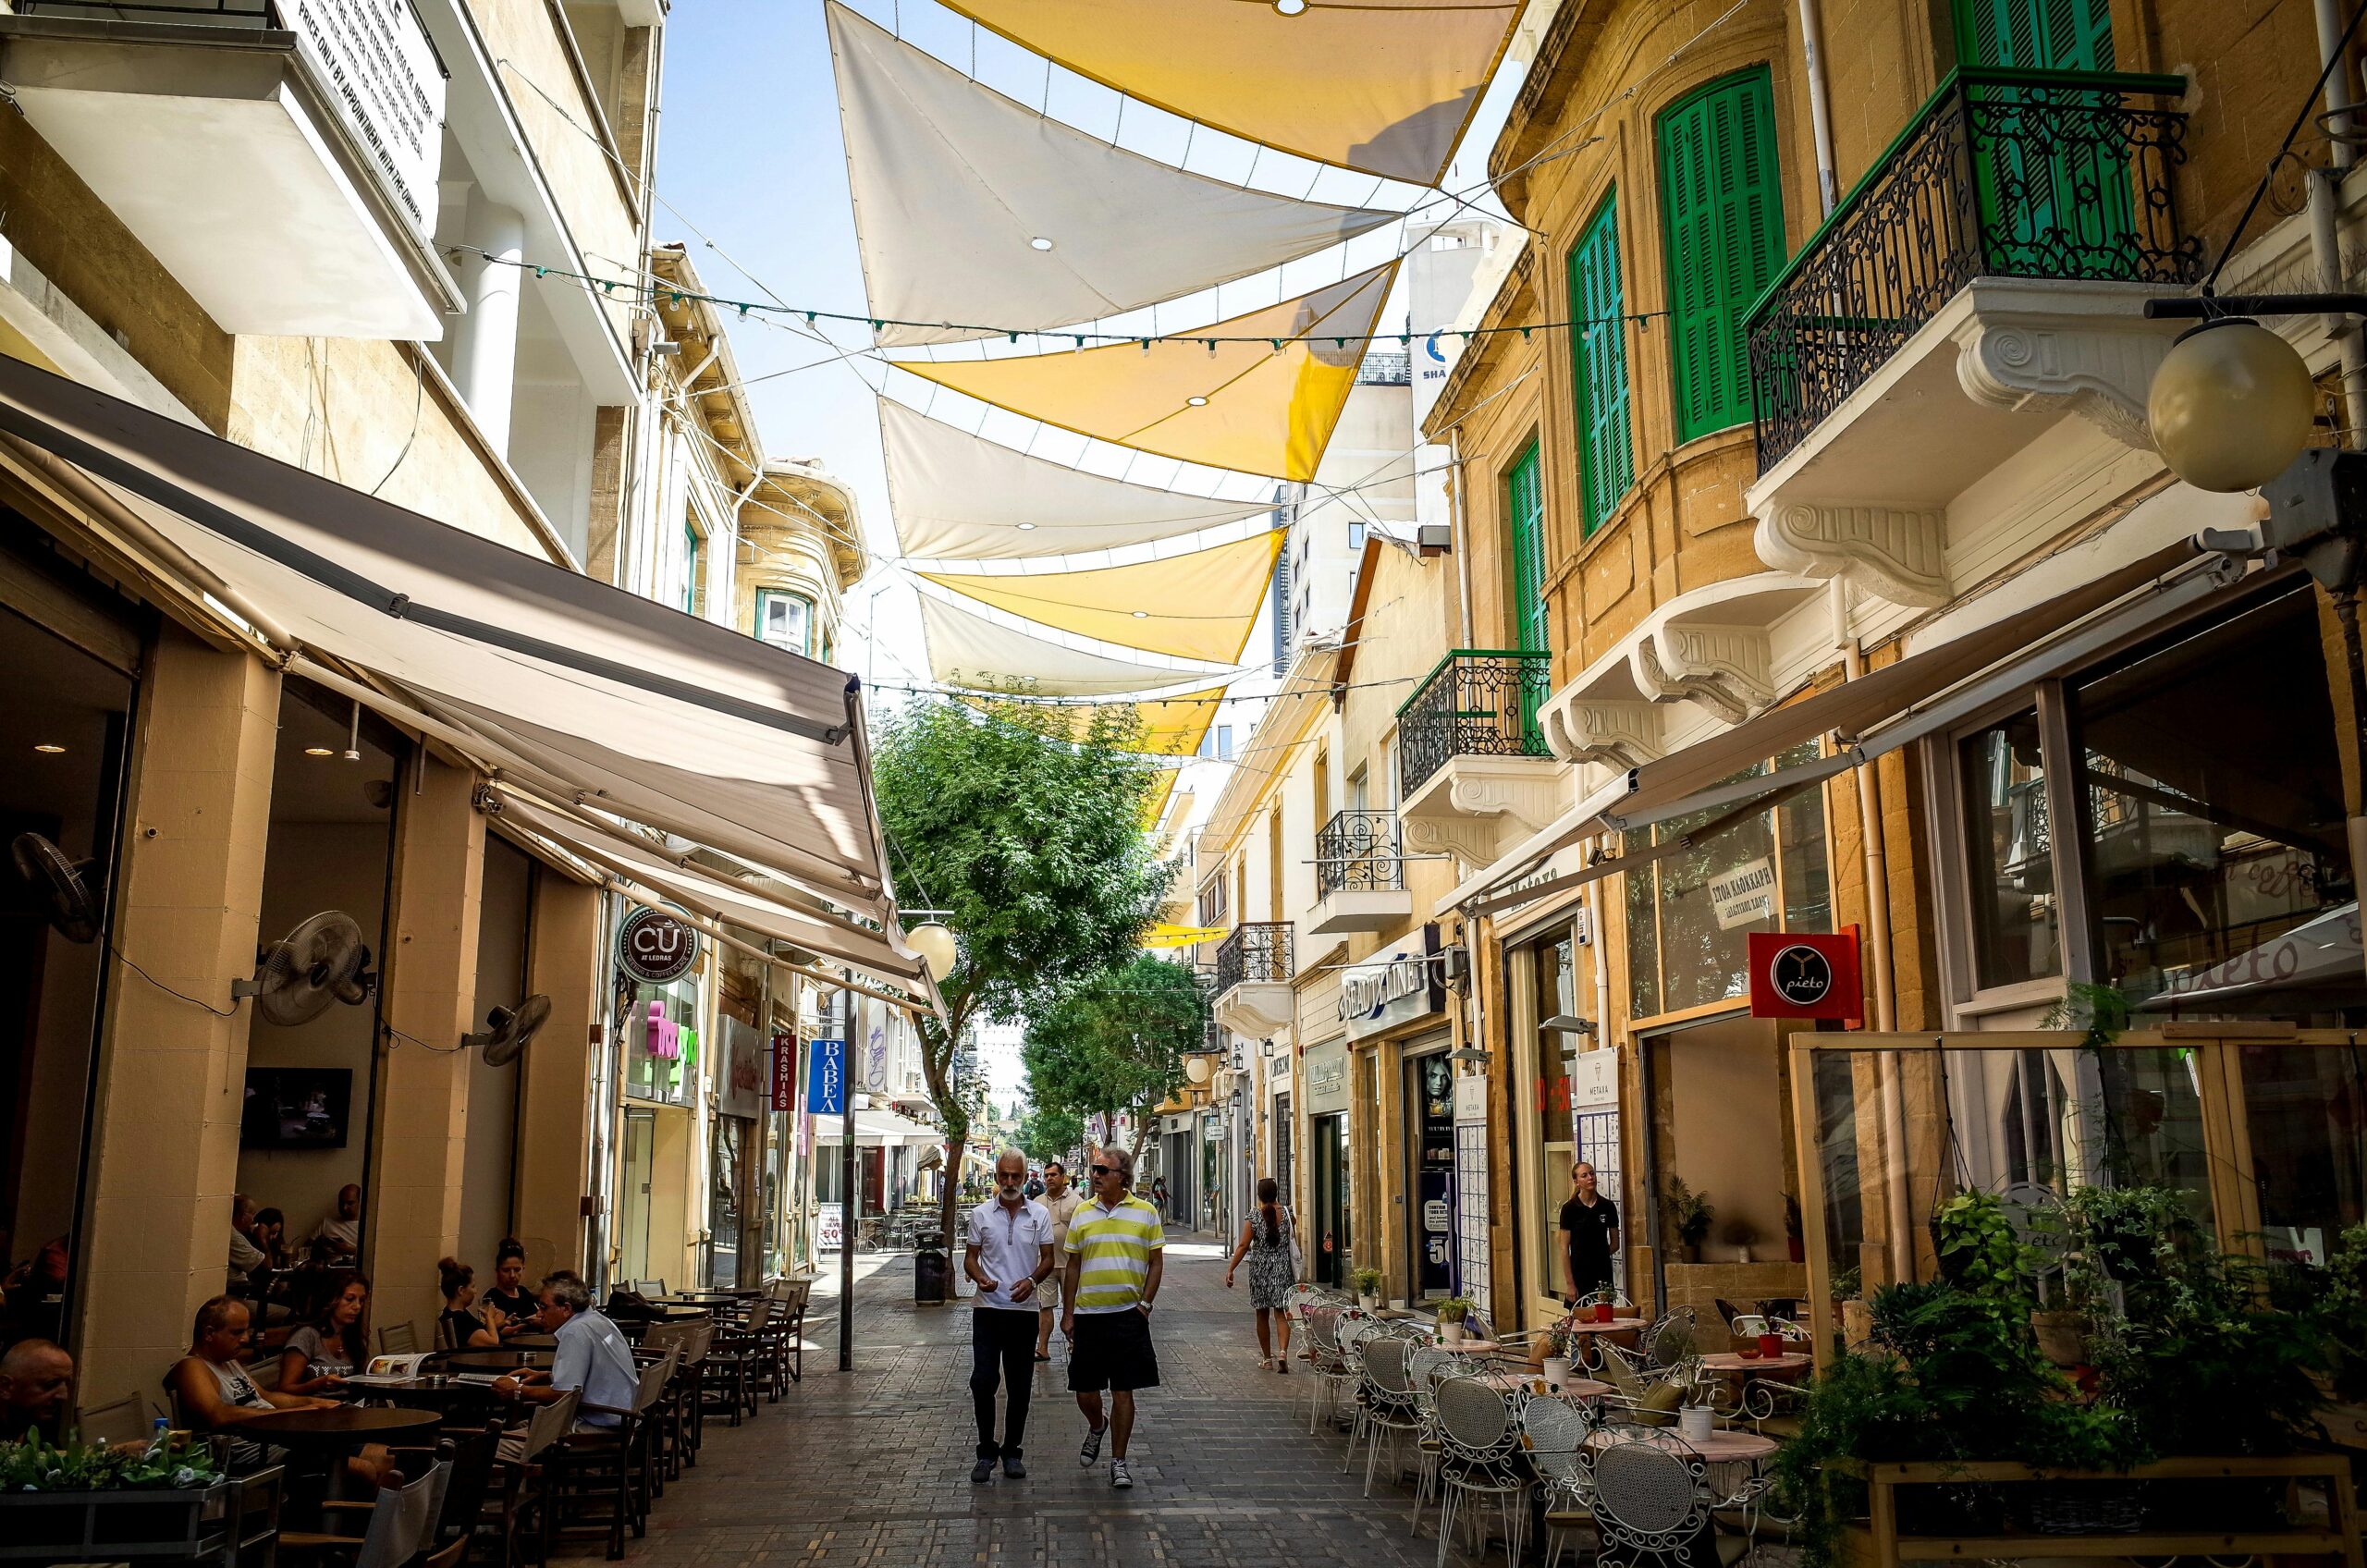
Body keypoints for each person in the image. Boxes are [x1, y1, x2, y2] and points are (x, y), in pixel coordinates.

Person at [168, 1297, 392, 1484]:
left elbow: (266, 1397)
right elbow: (218, 1414)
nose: (246, 1339)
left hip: (284, 1438)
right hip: (254, 1451)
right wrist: (291, 1415)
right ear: (209, 1333)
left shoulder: (228, 1362)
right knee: (364, 1470)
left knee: (385, 1458)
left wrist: (312, 1404)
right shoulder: (192, 1367)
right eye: (237, 1332)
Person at [1060, 1145, 1163, 1489]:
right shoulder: (1082, 1213)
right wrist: (1068, 1311)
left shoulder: (1146, 1212)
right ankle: (1096, 1425)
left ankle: (1119, 1461)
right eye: (1094, 1170)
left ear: (1123, 1177)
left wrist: (1145, 1305)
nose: (1095, 1176)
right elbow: (1072, 1265)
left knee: (1123, 1390)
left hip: (1127, 1317)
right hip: (1089, 1316)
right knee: (1084, 1390)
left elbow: (1156, 1262)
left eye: (1103, 1171)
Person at [963, 1149, 1053, 1484]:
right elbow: (970, 1258)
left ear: (1026, 1176)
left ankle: (1012, 1451)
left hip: (1023, 1311)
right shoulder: (981, 1214)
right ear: (997, 1177)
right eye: (1004, 1176)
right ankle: (986, 1450)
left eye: (1016, 1176)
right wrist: (979, 1277)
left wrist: (1032, 1282)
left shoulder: (1039, 1215)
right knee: (983, 1380)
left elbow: (1047, 1259)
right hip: (987, 1310)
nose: (1010, 1182)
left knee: (1020, 1385)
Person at [490, 1276, 639, 1463]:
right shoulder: (597, 1320)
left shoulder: (575, 1332)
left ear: (566, 1309)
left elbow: (565, 1394)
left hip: (599, 1427)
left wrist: (518, 1391)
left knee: (490, 1445)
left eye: (544, 1307)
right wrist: (546, 1375)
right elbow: (588, 1374)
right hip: (621, 1420)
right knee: (524, 1424)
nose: (538, 1315)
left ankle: (521, 1484)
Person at [1224, 1176, 1298, 1373]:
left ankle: (1267, 1359)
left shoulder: (1254, 1216)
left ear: (1259, 1195)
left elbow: (1243, 1245)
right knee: (1281, 1313)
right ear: (1276, 1193)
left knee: (1262, 1314)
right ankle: (1283, 1352)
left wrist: (1231, 1269)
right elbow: (1292, 1234)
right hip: (1283, 1267)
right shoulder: (1288, 1214)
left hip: (1260, 1269)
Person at [278, 1269, 369, 1396]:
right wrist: (317, 1384)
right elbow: (285, 1390)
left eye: (361, 1300)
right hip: (314, 1407)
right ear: (330, 1300)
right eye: (349, 1299)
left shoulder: (351, 1336)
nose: (357, 1306)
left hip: (350, 1406)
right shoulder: (307, 1336)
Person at [1033, 1159, 1082, 1364]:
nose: (1049, 1178)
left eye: (1053, 1175)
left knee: (1075, 1307)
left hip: (1071, 1264)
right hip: (1045, 1264)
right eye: (1047, 1175)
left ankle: (1075, 1344)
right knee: (1045, 1306)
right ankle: (1042, 1348)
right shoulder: (1037, 1203)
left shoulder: (1077, 1202)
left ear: (1063, 1177)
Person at [1560, 1160, 1621, 1305]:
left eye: (1592, 1174)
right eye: (1584, 1175)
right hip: (1579, 1274)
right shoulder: (1569, 1209)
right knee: (1581, 1320)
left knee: (1605, 1318)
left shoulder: (1607, 1206)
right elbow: (1563, 1248)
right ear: (1576, 1182)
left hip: (1603, 1274)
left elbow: (1615, 1243)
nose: (1590, 1178)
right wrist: (1570, 1284)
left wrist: (1600, 1255)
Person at [0, 1338, 73, 1442]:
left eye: (67, 1384)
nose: (63, 1396)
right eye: (50, 1384)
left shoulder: (44, 1436)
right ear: (5, 1387)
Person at [437, 1257, 500, 1350]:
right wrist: (489, 1316)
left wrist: (503, 1323)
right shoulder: (460, 1320)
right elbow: (493, 1344)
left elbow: (482, 1332)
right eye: (473, 1286)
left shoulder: (452, 1313)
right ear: (461, 1290)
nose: (475, 1291)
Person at [481, 1240, 538, 1336]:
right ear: (497, 1270)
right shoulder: (489, 1298)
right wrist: (527, 1322)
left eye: (517, 1270)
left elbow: (541, 1317)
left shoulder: (524, 1292)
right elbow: (498, 1332)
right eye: (506, 1270)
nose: (512, 1275)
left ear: (523, 1268)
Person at [310, 1183, 361, 1262]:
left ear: (360, 1203)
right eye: (341, 1203)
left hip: (354, 1271)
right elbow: (306, 1249)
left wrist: (347, 1250)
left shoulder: (368, 1227)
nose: (344, 1208)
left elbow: (374, 1255)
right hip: (330, 1271)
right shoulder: (327, 1223)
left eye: (350, 1203)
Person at [227, 1195, 265, 1293]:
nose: (253, 1220)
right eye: (253, 1214)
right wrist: (262, 1238)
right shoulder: (232, 1235)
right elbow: (264, 1267)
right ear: (243, 1216)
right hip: (237, 1291)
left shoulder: (236, 1232)